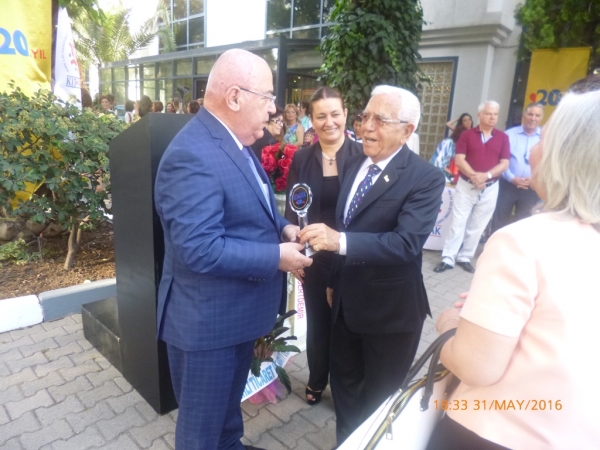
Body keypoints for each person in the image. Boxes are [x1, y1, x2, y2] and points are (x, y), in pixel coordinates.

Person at [154, 49, 312, 450]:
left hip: (233, 317)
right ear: (235, 97)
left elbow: (252, 208)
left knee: (225, 421)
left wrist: (285, 227)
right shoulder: (192, 154)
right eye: (268, 97)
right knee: (201, 434)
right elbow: (199, 248)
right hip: (207, 328)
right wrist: (277, 257)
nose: (274, 108)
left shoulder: (235, 142)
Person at [428, 89, 600, 450]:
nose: (532, 151)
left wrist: (451, 324)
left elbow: (475, 366)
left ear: (564, 155)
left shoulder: (522, 241)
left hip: (494, 430)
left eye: (544, 139)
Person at [299, 85, 445, 445]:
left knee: (379, 403)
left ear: (407, 130)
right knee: (345, 392)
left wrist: (338, 241)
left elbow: (405, 244)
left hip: (389, 315)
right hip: (344, 306)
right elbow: (347, 223)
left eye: (380, 120)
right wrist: (333, 281)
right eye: (365, 117)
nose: (366, 127)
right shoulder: (353, 163)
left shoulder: (425, 178)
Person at [284, 86, 362, 406]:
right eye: (321, 116)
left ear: (345, 115)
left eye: (335, 114)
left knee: (346, 323)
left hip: (350, 256)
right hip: (314, 259)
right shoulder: (302, 158)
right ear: (311, 120)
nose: (329, 122)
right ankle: (317, 377)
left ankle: (345, 385)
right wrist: (295, 253)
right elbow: (292, 211)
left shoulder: (362, 156)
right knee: (317, 321)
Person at [434, 101, 509, 274]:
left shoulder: (502, 137)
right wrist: (476, 177)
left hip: (490, 187)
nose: (492, 117)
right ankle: (448, 258)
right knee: (458, 222)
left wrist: (486, 176)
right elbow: (459, 160)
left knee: (478, 225)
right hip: (466, 186)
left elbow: (505, 164)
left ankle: (465, 257)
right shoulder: (467, 135)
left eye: (495, 114)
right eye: (488, 114)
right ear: (480, 115)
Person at [491, 103, 543, 233]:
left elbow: (548, 163)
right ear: (524, 115)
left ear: (541, 118)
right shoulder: (509, 135)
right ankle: (495, 244)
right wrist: (511, 178)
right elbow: (499, 160)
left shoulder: (545, 138)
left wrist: (534, 179)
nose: (533, 118)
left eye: (537, 115)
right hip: (507, 185)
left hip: (531, 187)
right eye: (530, 114)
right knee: (499, 219)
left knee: (523, 223)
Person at [430, 116, 471, 183]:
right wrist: (446, 170)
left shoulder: (457, 147)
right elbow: (437, 160)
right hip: (436, 170)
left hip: (443, 170)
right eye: (465, 120)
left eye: (469, 120)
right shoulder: (448, 142)